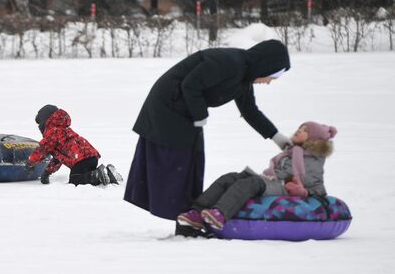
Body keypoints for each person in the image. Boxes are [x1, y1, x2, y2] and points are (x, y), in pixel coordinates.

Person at [124, 40, 292, 225]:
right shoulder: (229, 62)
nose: (268, 82)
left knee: (191, 162)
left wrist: (277, 137)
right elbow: (190, 84)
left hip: (183, 111)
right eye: (272, 76)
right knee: (178, 161)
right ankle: (184, 218)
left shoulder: (244, 76)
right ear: (265, 65)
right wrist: (200, 114)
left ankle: (188, 217)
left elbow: (250, 111)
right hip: (167, 107)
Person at [177, 121, 337, 230]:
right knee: (230, 178)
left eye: (305, 131)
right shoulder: (292, 152)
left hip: (285, 188)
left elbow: (315, 185)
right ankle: (197, 213)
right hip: (273, 181)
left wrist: (303, 192)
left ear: (314, 140)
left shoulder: (314, 159)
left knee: (250, 184)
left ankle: (220, 214)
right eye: (300, 128)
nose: (299, 130)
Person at [25, 104, 123, 186]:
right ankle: (108, 174)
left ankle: (96, 174)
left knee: (75, 181)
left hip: (80, 160)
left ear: (45, 121)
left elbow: (43, 149)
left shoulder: (52, 133)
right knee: (87, 176)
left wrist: (31, 162)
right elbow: (58, 159)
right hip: (91, 156)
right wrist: (47, 172)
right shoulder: (64, 130)